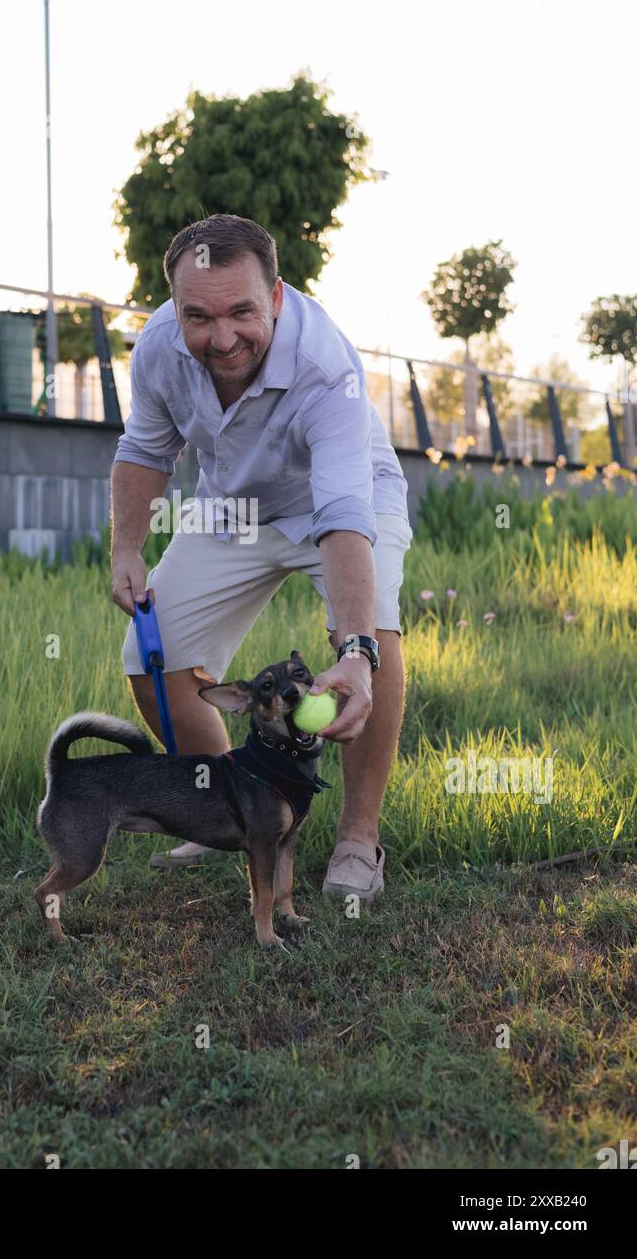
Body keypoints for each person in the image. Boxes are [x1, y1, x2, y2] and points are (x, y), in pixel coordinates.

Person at [109, 214, 411, 900]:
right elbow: (146, 452)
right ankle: (227, 810)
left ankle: (358, 844)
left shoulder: (324, 366)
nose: (221, 337)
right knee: (151, 653)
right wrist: (127, 547)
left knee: (375, 636)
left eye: (241, 312)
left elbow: (341, 518)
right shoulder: (158, 347)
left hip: (337, 502)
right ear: (175, 308)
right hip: (234, 505)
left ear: (275, 297)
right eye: (199, 317)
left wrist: (356, 649)